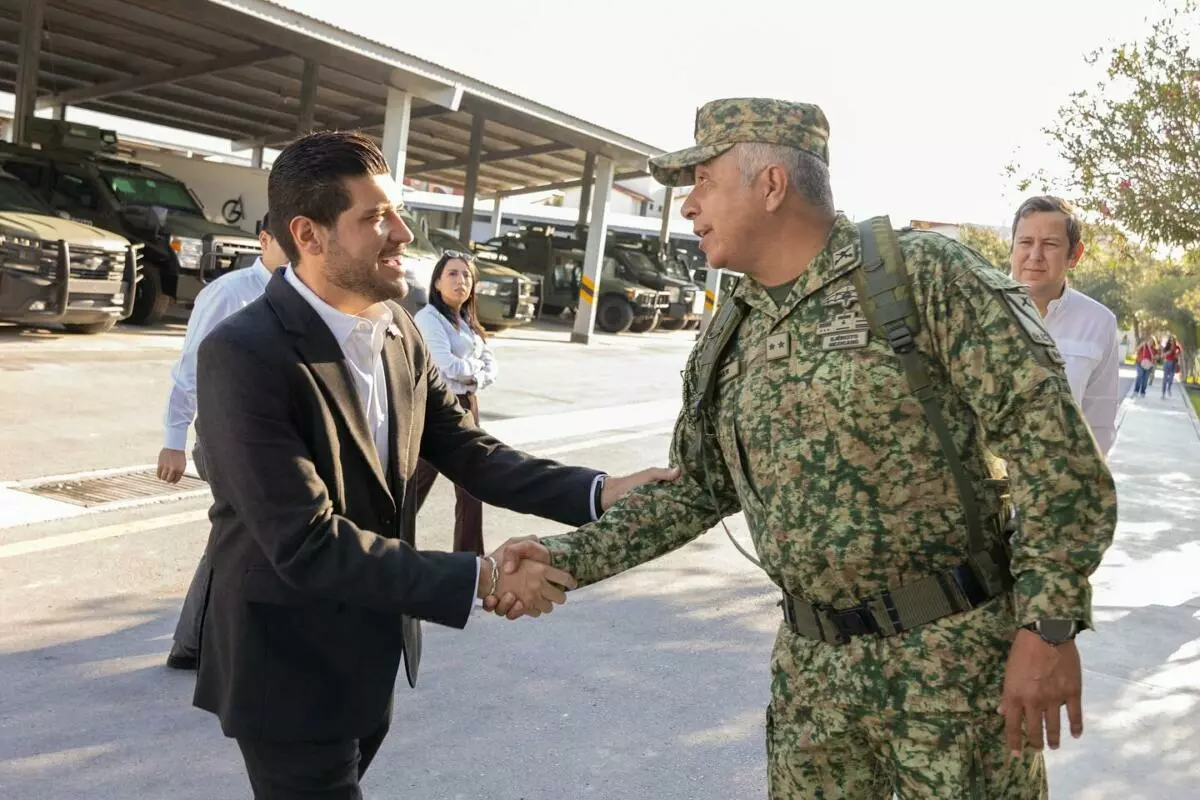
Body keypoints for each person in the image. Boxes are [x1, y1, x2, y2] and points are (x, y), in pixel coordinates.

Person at [498, 98, 1117, 798]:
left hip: (953, 670)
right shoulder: (731, 328)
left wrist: (1049, 623)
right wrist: (567, 558)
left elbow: (1056, 457)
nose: (688, 206)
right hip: (813, 681)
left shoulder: (922, 277)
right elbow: (699, 485)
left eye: (704, 180)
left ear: (771, 186)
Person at [191, 130, 677, 799]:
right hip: (287, 666)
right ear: (309, 234)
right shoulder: (243, 354)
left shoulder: (398, 328)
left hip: (374, 645)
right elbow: (304, 542)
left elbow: (468, 450)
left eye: (396, 211)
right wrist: (480, 577)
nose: (401, 231)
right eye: (374, 218)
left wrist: (601, 490)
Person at [157, 215, 289, 670]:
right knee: (244, 531)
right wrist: (174, 439)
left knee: (246, 532)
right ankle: (200, 642)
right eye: (285, 242)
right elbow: (190, 366)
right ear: (264, 240)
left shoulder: (303, 297)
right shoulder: (230, 293)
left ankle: (204, 641)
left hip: (271, 439)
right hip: (223, 436)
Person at [1009, 196, 1120, 454]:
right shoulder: (974, 308)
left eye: (1050, 244)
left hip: (1057, 489)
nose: (1035, 256)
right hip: (979, 488)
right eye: (1025, 242)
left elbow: (1099, 424)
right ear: (1012, 246)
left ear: (1075, 255)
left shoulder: (1099, 323)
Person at [412, 250, 495, 556]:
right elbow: (447, 365)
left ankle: (471, 560)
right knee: (414, 485)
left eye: (467, 275)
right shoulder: (428, 318)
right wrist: (476, 371)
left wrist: (475, 375)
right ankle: (388, 549)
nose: (461, 280)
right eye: (453, 274)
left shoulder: (468, 322)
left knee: (474, 486)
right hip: (439, 407)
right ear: (436, 282)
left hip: (468, 406)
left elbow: (492, 364)